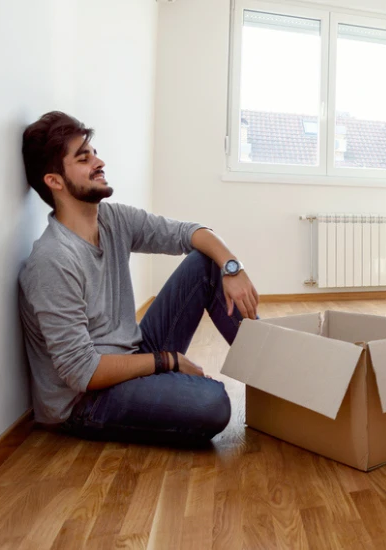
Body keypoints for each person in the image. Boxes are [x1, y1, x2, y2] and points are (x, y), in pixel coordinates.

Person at [18, 111, 259, 446]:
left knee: (207, 262)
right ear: (55, 181)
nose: (99, 162)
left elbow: (189, 233)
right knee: (213, 403)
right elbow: (82, 372)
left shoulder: (113, 219)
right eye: (83, 158)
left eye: (95, 152)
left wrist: (233, 267)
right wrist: (168, 362)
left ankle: (274, 375)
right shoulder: (52, 260)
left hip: (132, 354)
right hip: (85, 400)